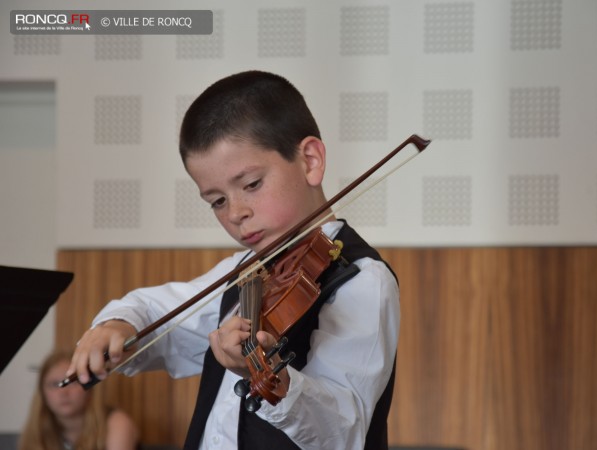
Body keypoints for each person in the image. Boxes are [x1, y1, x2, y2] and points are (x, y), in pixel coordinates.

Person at [66, 70, 400, 450]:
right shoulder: (243, 272)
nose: (236, 213)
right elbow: (159, 315)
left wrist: (269, 376)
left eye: (252, 184)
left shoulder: (361, 280)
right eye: (217, 201)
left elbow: (342, 432)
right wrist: (117, 323)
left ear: (309, 160)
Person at [19, 350, 139, 450]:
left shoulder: (116, 423)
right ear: (42, 393)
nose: (63, 392)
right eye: (54, 384)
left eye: (72, 382)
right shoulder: (36, 432)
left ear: (89, 387)